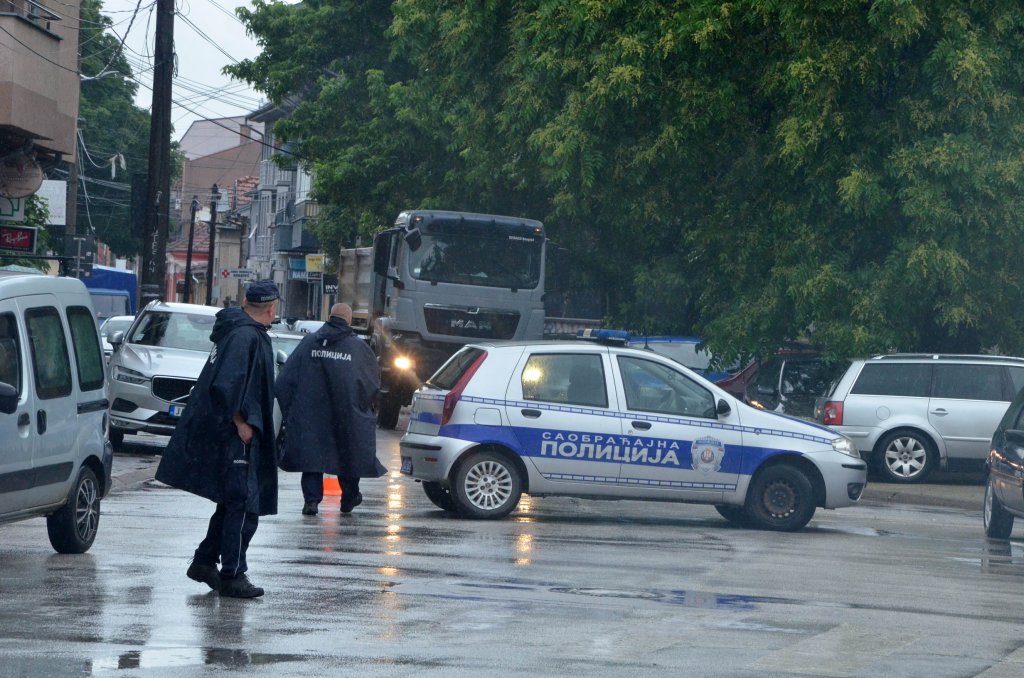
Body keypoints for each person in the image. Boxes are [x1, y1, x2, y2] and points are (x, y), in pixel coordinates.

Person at [155, 280, 280, 598]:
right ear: (271, 307)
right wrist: (241, 422)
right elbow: (226, 384)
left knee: (232, 501)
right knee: (243, 505)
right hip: (235, 434)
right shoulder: (244, 336)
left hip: (228, 431)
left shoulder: (238, 331)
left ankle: (204, 562)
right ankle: (233, 574)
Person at [276, 303, 386, 516]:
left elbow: (285, 380)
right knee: (348, 456)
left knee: (312, 457)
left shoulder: (309, 343)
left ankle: (311, 500)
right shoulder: (358, 348)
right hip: (347, 415)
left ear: (329, 316)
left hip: (311, 414)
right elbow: (371, 384)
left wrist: (291, 409)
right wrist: (364, 407)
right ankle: (349, 497)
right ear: (349, 320)